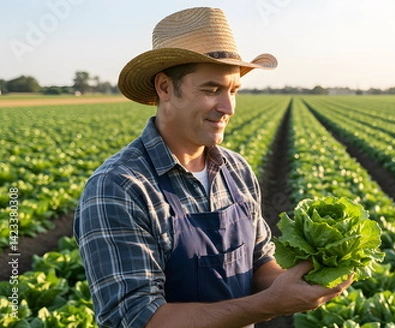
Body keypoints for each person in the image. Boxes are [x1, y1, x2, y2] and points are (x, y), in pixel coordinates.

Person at [73, 6, 352, 328]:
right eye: (211, 89)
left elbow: (259, 262)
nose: (227, 107)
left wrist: (301, 283)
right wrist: (269, 304)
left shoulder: (236, 169)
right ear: (165, 88)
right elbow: (137, 319)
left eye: (233, 90)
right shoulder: (119, 186)